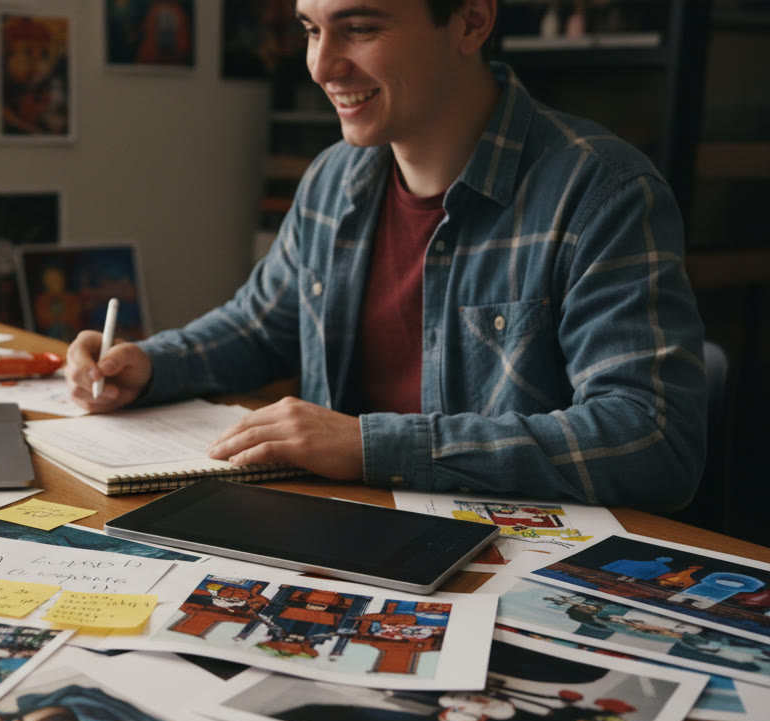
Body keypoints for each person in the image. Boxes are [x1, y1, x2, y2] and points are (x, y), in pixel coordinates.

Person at [64, 0, 706, 512]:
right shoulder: (332, 178)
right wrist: (149, 364)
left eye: (360, 28)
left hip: (505, 567)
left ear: (471, 21)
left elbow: (650, 439)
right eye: (312, 29)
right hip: (338, 534)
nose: (320, 65)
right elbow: (261, 325)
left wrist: (371, 446)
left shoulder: (603, 193)